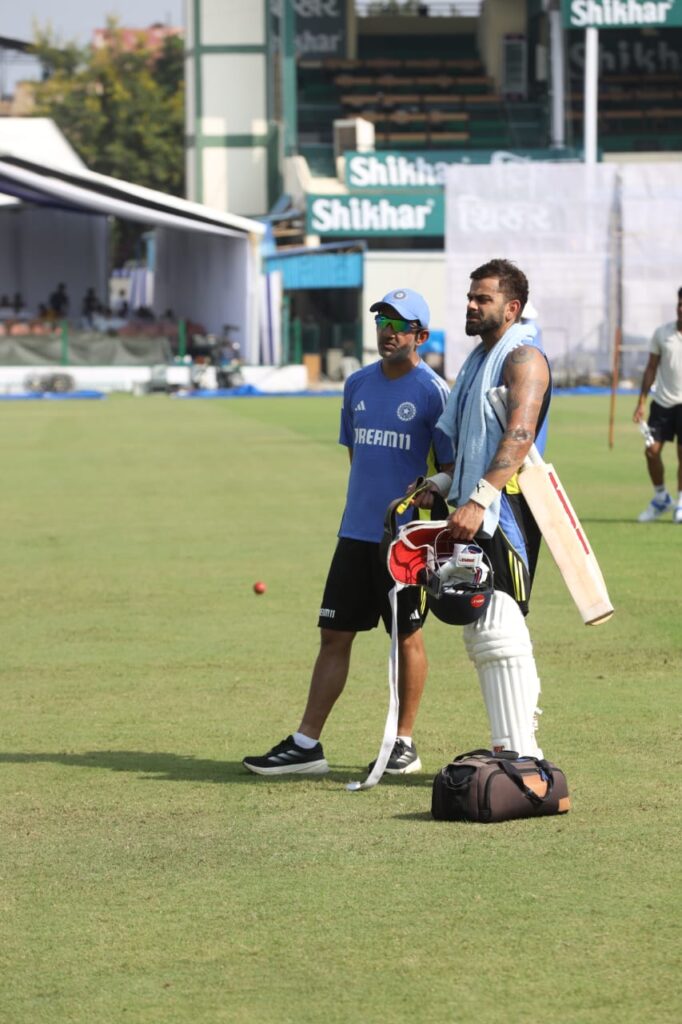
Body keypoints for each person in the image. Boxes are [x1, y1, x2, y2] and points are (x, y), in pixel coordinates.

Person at [243, 288, 453, 776]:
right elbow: (357, 457)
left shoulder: (434, 391)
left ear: (420, 335)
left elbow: (449, 467)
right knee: (333, 635)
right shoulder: (356, 384)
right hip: (355, 533)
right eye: (382, 320)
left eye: (399, 324)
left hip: (405, 541)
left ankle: (403, 743)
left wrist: (428, 494)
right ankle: (306, 745)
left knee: (407, 637)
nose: (387, 331)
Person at [413, 259, 551, 758]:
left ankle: (522, 753)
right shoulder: (477, 359)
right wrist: (442, 483)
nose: (471, 305)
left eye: (483, 299)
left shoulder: (523, 358)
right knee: (483, 631)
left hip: (507, 511)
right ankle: (510, 745)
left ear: (511, 308)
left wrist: (479, 497)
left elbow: (519, 435)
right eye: (470, 297)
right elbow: (473, 443)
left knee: (500, 626)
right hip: (476, 506)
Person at [632, 287, 682, 525]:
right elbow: (651, 367)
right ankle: (661, 497)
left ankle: (681, 503)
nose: (681, 308)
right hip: (662, 403)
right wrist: (641, 401)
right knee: (651, 451)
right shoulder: (663, 333)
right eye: (680, 304)